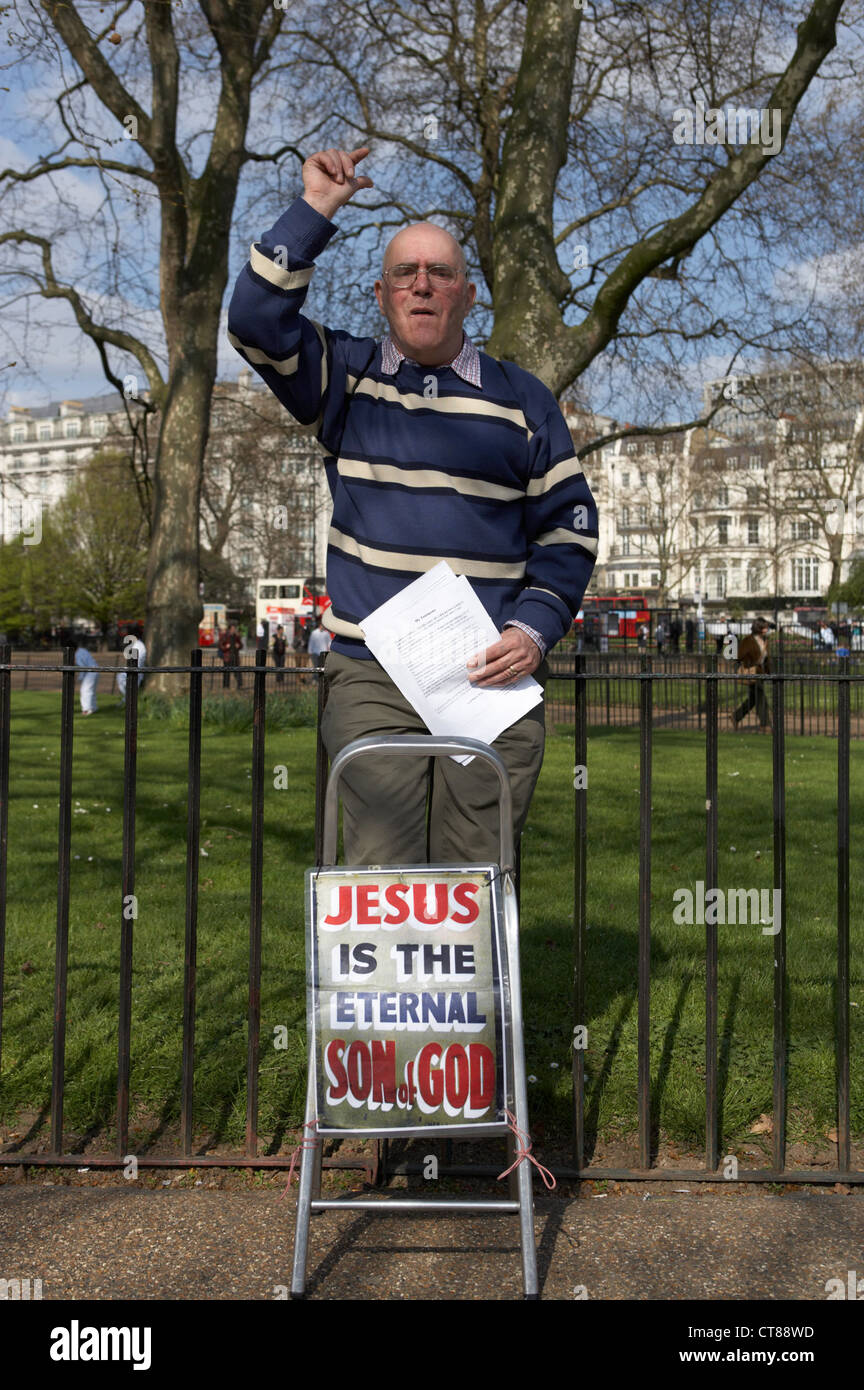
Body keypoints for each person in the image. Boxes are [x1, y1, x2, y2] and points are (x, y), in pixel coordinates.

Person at [227, 144, 598, 864]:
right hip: (372, 668)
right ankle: (376, 980)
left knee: (477, 877)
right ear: (381, 294)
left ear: (468, 293)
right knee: (376, 874)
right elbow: (253, 322)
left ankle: (470, 979)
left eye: (440, 273)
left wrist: (532, 631)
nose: (422, 285)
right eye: (405, 273)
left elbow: (568, 530)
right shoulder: (345, 377)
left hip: (493, 668)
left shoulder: (524, 400)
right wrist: (316, 208)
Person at [733, 618, 773, 730]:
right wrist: (749, 659)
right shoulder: (748, 640)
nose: (767, 629)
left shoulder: (765, 640)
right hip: (750, 672)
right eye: (765, 627)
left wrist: (769, 672)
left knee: (753, 699)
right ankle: (765, 723)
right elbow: (739, 656)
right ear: (759, 628)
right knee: (760, 697)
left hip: (760, 672)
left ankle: (736, 716)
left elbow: (766, 659)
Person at [116, 627, 145, 703]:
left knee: (126, 683)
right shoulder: (136, 644)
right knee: (121, 679)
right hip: (134, 669)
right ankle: (127, 699)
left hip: (136, 670)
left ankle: (128, 700)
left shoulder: (138, 645)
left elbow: (137, 660)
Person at [75, 635, 99, 716]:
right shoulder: (82, 650)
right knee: (91, 690)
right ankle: (93, 707)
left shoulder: (77, 654)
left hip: (90, 672)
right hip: (95, 669)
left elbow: (83, 667)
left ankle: (86, 709)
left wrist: (80, 678)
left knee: (85, 690)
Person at [219, 622, 243, 689]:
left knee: (237, 671)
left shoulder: (236, 636)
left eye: (234, 629)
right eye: (232, 629)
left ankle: (240, 685)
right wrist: (226, 647)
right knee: (226, 672)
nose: (233, 630)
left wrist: (238, 646)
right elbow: (220, 645)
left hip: (235, 657)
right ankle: (226, 686)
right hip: (227, 657)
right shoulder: (225, 636)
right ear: (229, 629)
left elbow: (241, 645)